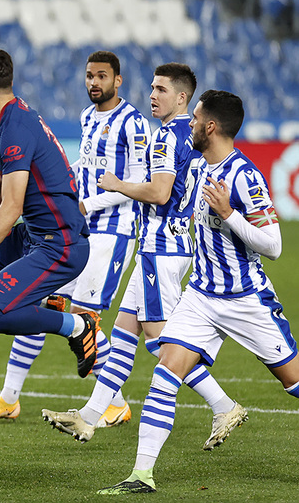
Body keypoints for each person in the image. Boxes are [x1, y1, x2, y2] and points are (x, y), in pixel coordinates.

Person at [98, 90, 299, 495]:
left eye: (194, 119)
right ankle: (141, 476)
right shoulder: (200, 167)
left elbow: (273, 245)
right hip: (201, 297)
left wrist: (229, 214)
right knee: (165, 371)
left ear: (210, 127)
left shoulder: (245, 176)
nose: (187, 124)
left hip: (246, 299)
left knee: (294, 381)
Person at [42, 63, 239, 450]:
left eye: (161, 89)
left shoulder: (166, 136)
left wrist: (119, 184)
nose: (152, 94)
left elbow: (161, 192)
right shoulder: (194, 137)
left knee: (161, 342)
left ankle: (224, 404)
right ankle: (90, 417)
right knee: (124, 333)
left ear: (181, 98)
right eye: (151, 87)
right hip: (171, 245)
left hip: (161, 249)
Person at [0, 51, 147, 426]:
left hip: (112, 229)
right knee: (42, 303)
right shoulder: (87, 117)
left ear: (118, 80)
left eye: (102, 76)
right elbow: (83, 164)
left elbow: (138, 181)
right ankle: (9, 397)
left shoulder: (133, 123)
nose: (94, 83)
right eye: (89, 76)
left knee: (84, 316)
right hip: (75, 223)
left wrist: (86, 204)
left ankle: (113, 401)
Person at [0, 47, 99, 383]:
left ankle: (78, 326)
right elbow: (3, 182)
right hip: (35, 237)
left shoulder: (14, 129)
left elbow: (11, 207)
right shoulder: (18, 113)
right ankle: (40, 299)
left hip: (61, 246)